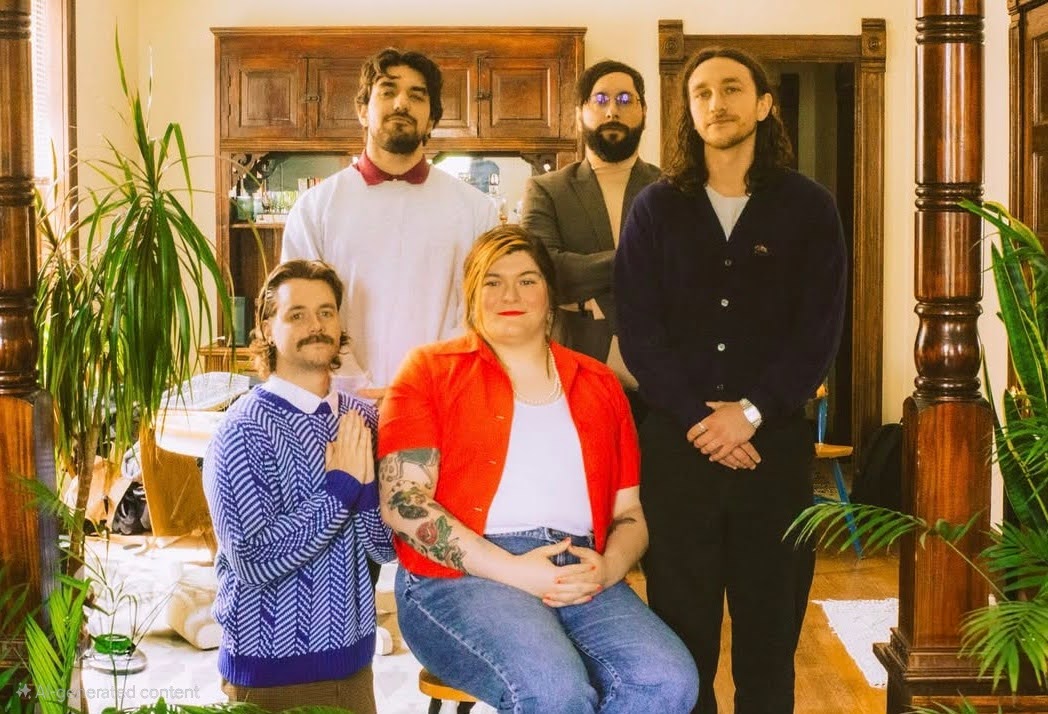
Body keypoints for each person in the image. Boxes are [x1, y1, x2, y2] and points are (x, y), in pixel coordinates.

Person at [377, 225, 698, 714]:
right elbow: (404, 503)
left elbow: (630, 514)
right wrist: (515, 571)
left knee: (667, 680)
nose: (510, 294)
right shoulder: (429, 371)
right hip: (461, 576)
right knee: (553, 689)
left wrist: (609, 567)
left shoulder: (600, 384)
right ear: (472, 295)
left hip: (580, 568)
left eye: (527, 280)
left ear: (550, 295)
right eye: (493, 281)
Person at [614, 47, 847, 714]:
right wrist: (701, 419)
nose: (717, 103)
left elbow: (818, 334)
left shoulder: (809, 208)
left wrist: (749, 413)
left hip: (772, 457)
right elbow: (640, 332)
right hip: (676, 456)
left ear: (764, 104)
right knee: (681, 645)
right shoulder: (654, 209)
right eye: (703, 93)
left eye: (732, 88)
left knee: (769, 643)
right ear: (689, 112)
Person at [203, 260, 395, 714]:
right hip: (269, 676)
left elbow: (385, 547)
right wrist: (340, 490)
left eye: (326, 312)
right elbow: (251, 558)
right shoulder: (240, 430)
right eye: (297, 314)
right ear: (267, 328)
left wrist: (366, 491)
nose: (316, 325)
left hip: (354, 668)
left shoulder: (363, 420)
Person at [281, 47, 499, 399]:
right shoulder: (314, 208)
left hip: (441, 395)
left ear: (432, 119)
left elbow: (478, 310)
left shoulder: (475, 209)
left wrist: (424, 384)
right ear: (362, 110)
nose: (401, 104)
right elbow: (301, 310)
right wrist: (356, 386)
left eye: (417, 95)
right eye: (388, 91)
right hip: (340, 399)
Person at [521, 59, 659, 422]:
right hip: (573, 373)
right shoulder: (547, 190)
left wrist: (588, 282)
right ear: (580, 112)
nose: (613, 110)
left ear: (644, 111)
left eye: (625, 99)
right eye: (600, 99)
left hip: (661, 378)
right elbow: (547, 273)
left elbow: (686, 274)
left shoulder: (672, 190)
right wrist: (644, 259)